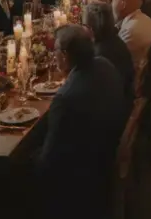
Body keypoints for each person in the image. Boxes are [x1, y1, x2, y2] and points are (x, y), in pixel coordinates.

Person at [35, 25, 128, 219]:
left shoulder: (64, 99)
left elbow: (48, 162)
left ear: (65, 56)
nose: (54, 55)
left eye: (55, 50)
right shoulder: (104, 64)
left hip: (82, 175)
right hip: (106, 149)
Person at [82, 1, 135, 106]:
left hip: (115, 107)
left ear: (90, 29)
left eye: (83, 25)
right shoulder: (116, 40)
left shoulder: (98, 56)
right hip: (125, 98)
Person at [112, 0, 151, 66]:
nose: (112, 3)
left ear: (123, 5)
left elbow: (114, 58)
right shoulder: (145, 18)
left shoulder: (129, 30)